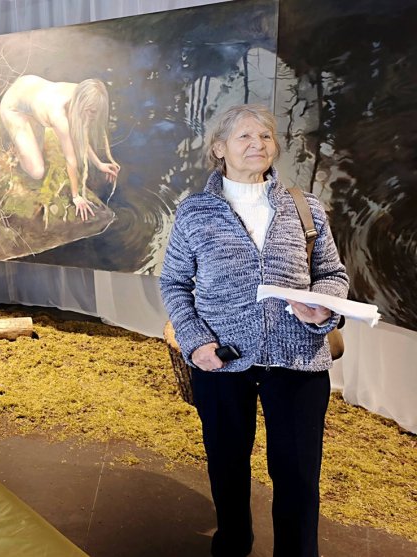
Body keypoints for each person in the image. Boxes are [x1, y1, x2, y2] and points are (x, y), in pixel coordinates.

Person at [159, 104, 349, 557]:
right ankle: (232, 544)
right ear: (219, 148)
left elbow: (332, 274)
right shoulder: (195, 212)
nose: (257, 144)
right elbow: (173, 283)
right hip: (223, 359)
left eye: (265, 136)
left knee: (298, 476)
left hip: (298, 359)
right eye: (244, 136)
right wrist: (195, 343)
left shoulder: (305, 207)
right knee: (227, 467)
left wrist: (323, 309)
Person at [0, 75, 121, 221]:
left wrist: (99, 164)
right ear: (83, 105)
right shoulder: (59, 116)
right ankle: (15, 152)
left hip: (28, 88)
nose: (92, 117)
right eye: (91, 112)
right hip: (14, 109)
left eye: (95, 112)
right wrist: (76, 196)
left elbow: (79, 136)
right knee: (37, 171)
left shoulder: (83, 92)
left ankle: (25, 140)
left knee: (37, 152)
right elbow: (71, 159)